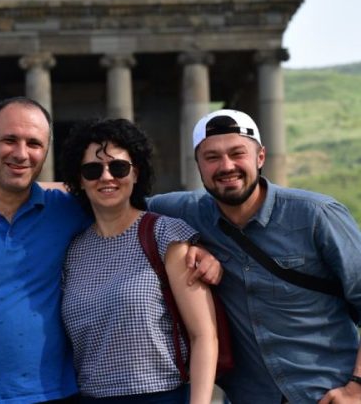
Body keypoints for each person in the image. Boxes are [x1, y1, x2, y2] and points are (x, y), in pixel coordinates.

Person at [0, 96, 220, 404]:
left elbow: (115, 197)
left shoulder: (68, 214)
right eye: (10, 141)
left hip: (57, 397)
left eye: (34, 144)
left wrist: (205, 252)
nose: (22, 153)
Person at [147, 109, 361, 404]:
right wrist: (187, 243)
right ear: (197, 164)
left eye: (238, 153)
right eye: (212, 157)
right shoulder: (184, 212)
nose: (227, 166)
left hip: (326, 393)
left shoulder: (316, 215)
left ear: (260, 157)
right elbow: (106, 199)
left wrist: (357, 387)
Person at [60, 118, 218, 403]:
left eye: (118, 167)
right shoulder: (72, 250)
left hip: (161, 395)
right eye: (92, 170)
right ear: (80, 180)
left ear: (135, 173)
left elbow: (204, 336)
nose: (106, 177)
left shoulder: (165, 234)